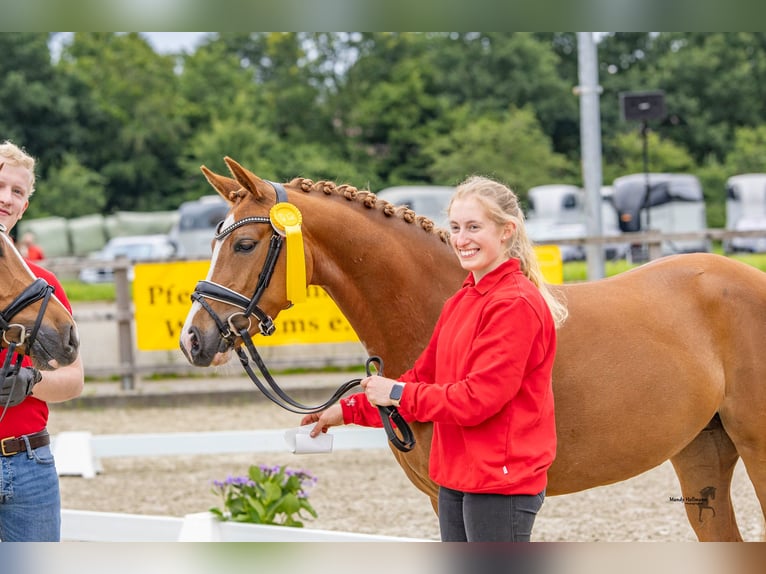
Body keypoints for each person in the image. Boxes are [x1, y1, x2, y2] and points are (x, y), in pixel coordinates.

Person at [302, 175, 568, 542]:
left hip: (499, 482)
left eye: (474, 227)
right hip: (457, 477)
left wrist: (394, 394)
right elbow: (422, 378)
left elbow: (478, 400)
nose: (461, 239)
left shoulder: (515, 304)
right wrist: (347, 411)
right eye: (456, 227)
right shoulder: (462, 301)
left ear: (506, 231)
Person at [0, 141, 84, 542]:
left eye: (17, 192)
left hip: (28, 463)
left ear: (24, 207)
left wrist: (31, 383)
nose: (6, 198)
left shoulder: (42, 286)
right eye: (0, 186)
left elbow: (74, 379)